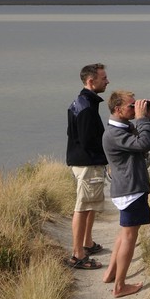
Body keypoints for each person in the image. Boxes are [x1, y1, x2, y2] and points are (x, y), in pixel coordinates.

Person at [101, 88, 150, 298]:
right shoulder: (115, 134)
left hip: (128, 189)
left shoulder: (124, 128)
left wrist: (148, 118)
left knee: (124, 232)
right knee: (129, 235)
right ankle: (119, 286)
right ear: (117, 109)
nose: (135, 108)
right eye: (131, 105)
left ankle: (110, 272)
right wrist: (142, 119)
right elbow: (144, 143)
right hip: (130, 190)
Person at [64, 63, 111, 269]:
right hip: (86, 163)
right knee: (82, 207)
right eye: (103, 78)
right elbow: (86, 139)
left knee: (89, 204)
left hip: (83, 161)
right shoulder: (86, 107)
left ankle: (87, 243)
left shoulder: (83, 102)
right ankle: (77, 255)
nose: (107, 81)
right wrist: (103, 157)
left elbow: (71, 133)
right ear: (91, 81)